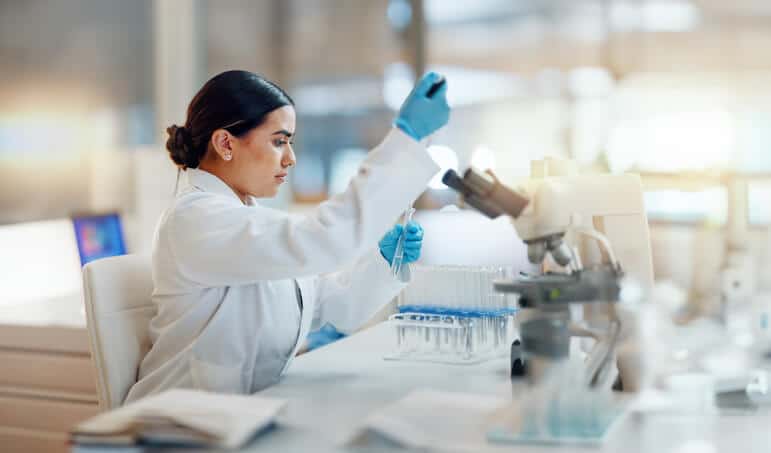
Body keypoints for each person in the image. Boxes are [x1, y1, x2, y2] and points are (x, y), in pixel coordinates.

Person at [125, 69, 449, 402]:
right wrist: (405, 138)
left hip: (239, 415)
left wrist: (382, 262)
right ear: (225, 143)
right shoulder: (195, 219)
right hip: (178, 424)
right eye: (279, 141)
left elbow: (335, 307)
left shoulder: (245, 221)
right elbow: (323, 240)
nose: (290, 158)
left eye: (290, 143)